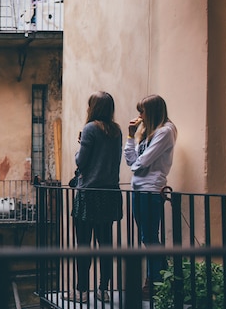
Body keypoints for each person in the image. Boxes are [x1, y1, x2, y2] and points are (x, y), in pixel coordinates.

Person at [65, 91, 123, 304]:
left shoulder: (90, 129)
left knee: (83, 244)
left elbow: (81, 161)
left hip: (88, 194)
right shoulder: (116, 131)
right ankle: (103, 289)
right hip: (109, 193)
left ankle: (81, 292)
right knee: (105, 244)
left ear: (93, 107)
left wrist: (80, 144)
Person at [124, 94, 177, 300]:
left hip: (151, 190)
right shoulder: (146, 133)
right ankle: (159, 280)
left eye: (142, 111)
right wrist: (130, 136)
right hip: (140, 190)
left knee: (150, 237)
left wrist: (137, 164)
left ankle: (156, 282)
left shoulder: (165, 131)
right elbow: (131, 161)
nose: (140, 116)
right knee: (148, 236)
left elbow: (141, 162)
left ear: (152, 111)